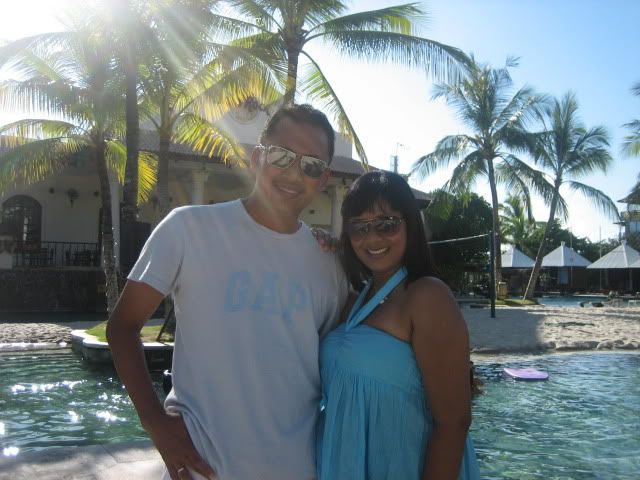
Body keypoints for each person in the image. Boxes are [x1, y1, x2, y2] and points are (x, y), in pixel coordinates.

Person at [106, 104, 349, 480]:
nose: (293, 173)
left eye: (311, 165)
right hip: (204, 468)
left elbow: (345, 353)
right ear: (257, 158)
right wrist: (155, 423)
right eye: (281, 156)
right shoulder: (188, 229)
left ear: (324, 178)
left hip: (300, 468)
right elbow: (122, 327)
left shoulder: (329, 263)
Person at [316, 171, 481, 480]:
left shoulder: (427, 296)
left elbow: (454, 423)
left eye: (387, 224)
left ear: (411, 225)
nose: (372, 238)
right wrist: (318, 246)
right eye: (359, 227)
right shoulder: (358, 300)